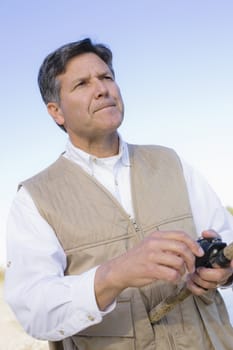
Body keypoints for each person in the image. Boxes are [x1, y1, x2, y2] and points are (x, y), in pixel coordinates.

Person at [4, 38, 233, 350]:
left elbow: (225, 240)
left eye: (106, 77)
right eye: (82, 83)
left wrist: (224, 271)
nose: (102, 89)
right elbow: (35, 311)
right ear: (56, 112)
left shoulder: (172, 162)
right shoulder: (34, 199)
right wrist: (114, 274)